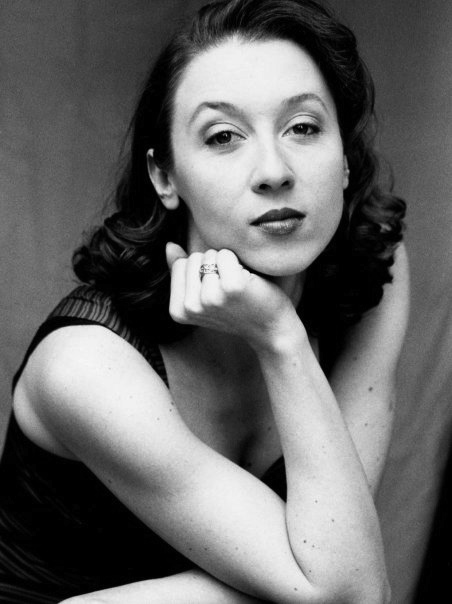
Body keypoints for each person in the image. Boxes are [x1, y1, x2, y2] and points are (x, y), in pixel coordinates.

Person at [0, 0, 409, 602]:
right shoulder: (86, 366)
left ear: (346, 158)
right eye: (223, 137)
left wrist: (280, 336)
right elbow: (349, 590)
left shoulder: (374, 272)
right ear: (164, 177)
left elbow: (346, 571)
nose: (273, 170)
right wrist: (281, 337)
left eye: (303, 127)